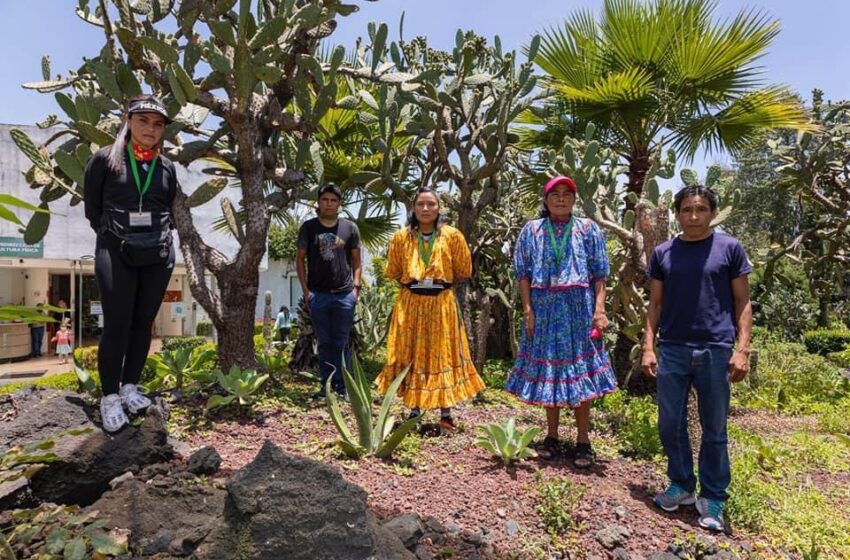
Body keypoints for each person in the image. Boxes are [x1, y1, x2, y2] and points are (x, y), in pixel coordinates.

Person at [642, 185, 752, 532]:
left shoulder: (729, 249)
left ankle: (714, 496)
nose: (693, 216)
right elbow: (655, 304)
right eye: (687, 209)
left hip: (716, 349)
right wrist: (648, 345)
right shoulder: (663, 253)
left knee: (714, 428)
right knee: (669, 423)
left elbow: (742, 302)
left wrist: (742, 348)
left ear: (712, 212)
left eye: (701, 209)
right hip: (673, 348)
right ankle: (682, 486)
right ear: (676, 213)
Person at [505, 176, 617, 468]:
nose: (561, 199)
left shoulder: (588, 228)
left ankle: (583, 441)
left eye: (567, 194)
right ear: (546, 199)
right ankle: (552, 436)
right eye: (555, 194)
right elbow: (523, 274)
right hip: (543, 306)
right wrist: (528, 310)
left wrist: (599, 309)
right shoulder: (532, 230)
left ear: (574, 199)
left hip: (578, 306)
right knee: (549, 370)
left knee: (580, 369)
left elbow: (599, 274)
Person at [84, 95, 177, 432]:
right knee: (118, 322)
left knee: (143, 323)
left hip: (157, 254)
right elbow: (92, 210)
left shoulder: (167, 168)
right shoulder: (104, 161)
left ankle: (129, 387)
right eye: (144, 120)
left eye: (158, 123)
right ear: (128, 120)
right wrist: (116, 235)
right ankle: (109, 396)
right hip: (115, 250)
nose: (151, 129)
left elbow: (169, 208)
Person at [376, 186, 484, 430]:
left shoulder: (453, 236)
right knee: (411, 352)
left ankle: (445, 413)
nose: (425, 209)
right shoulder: (401, 238)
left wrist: (441, 285)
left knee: (442, 353)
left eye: (431, 204)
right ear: (413, 208)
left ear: (439, 208)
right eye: (420, 204)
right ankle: (414, 410)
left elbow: (464, 270)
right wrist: (414, 283)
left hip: (441, 303)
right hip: (411, 302)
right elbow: (393, 271)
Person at [296, 184, 362, 399]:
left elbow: (357, 262)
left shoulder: (349, 228)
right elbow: (299, 260)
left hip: (344, 295)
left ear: (339, 204)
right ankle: (326, 387)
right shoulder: (309, 227)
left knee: (341, 342)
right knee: (324, 343)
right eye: (325, 199)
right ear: (319, 202)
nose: (329, 203)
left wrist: (356, 290)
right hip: (319, 295)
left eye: (333, 200)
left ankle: (344, 389)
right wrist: (307, 291)